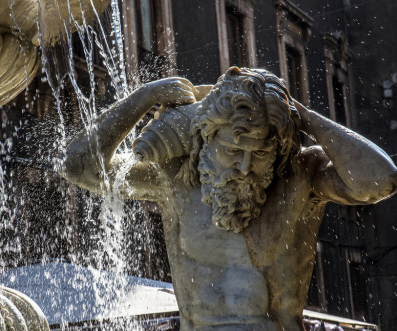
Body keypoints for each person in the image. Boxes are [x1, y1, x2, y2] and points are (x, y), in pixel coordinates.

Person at [60, 67, 397, 330]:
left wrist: (301, 115)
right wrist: (144, 98)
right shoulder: (172, 178)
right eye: (233, 150)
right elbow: (77, 167)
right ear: (207, 137)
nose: (245, 167)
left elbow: (381, 181)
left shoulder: (301, 175)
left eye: (261, 152)